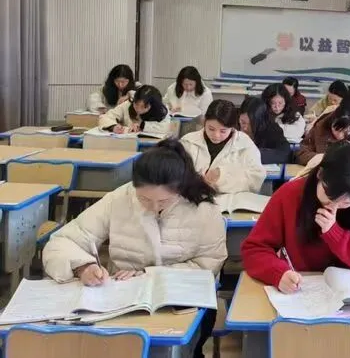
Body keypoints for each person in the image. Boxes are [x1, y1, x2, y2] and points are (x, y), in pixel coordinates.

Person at [42, 140, 227, 358]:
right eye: (144, 199)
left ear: (179, 189)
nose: (154, 207)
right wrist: (83, 266)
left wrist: (148, 275)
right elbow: (64, 241)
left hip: (183, 302)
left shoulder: (203, 208)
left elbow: (209, 264)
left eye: (164, 201)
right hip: (122, 302)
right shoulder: (119, 199)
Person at [241, 141, 350, 292]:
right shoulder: (290, 195)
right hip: (301, 287)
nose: (334, 207)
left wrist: (335, 233)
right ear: (320, 174)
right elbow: (254, 249)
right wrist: (278, 273)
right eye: (329, 197)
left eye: (346, 203)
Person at [181, 100, 266, 194]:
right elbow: (175, 173)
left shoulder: (245, 144)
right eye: (211, 129)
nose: (216, 135)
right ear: (204, 121)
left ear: (232, 127)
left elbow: (256, 178)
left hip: (230, 200)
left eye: (223, 131)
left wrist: (223, 176)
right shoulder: (188, 141)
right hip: (192, 198)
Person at [297, 95, 350, 165]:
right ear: (332, 121)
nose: (340, 136)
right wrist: (322, 158)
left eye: (345, 131)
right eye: (337, 129)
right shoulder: (321, 126)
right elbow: (301, 153)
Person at [98, 84, 172, 136]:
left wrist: (142, 125)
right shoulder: (127, 105)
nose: (138, 109)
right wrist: (113, 126)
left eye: (144, 107)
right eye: (136, 104)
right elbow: (105, 117)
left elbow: (167, 127)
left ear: (153, 106)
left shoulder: (161, 111)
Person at [238, 96, 291, 165]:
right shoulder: (233, 126)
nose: (245, 128)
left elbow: (284, 154)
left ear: (260, 121)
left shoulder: (272, 129)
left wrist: (252, 153)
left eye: (251, 124)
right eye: (243, 122)